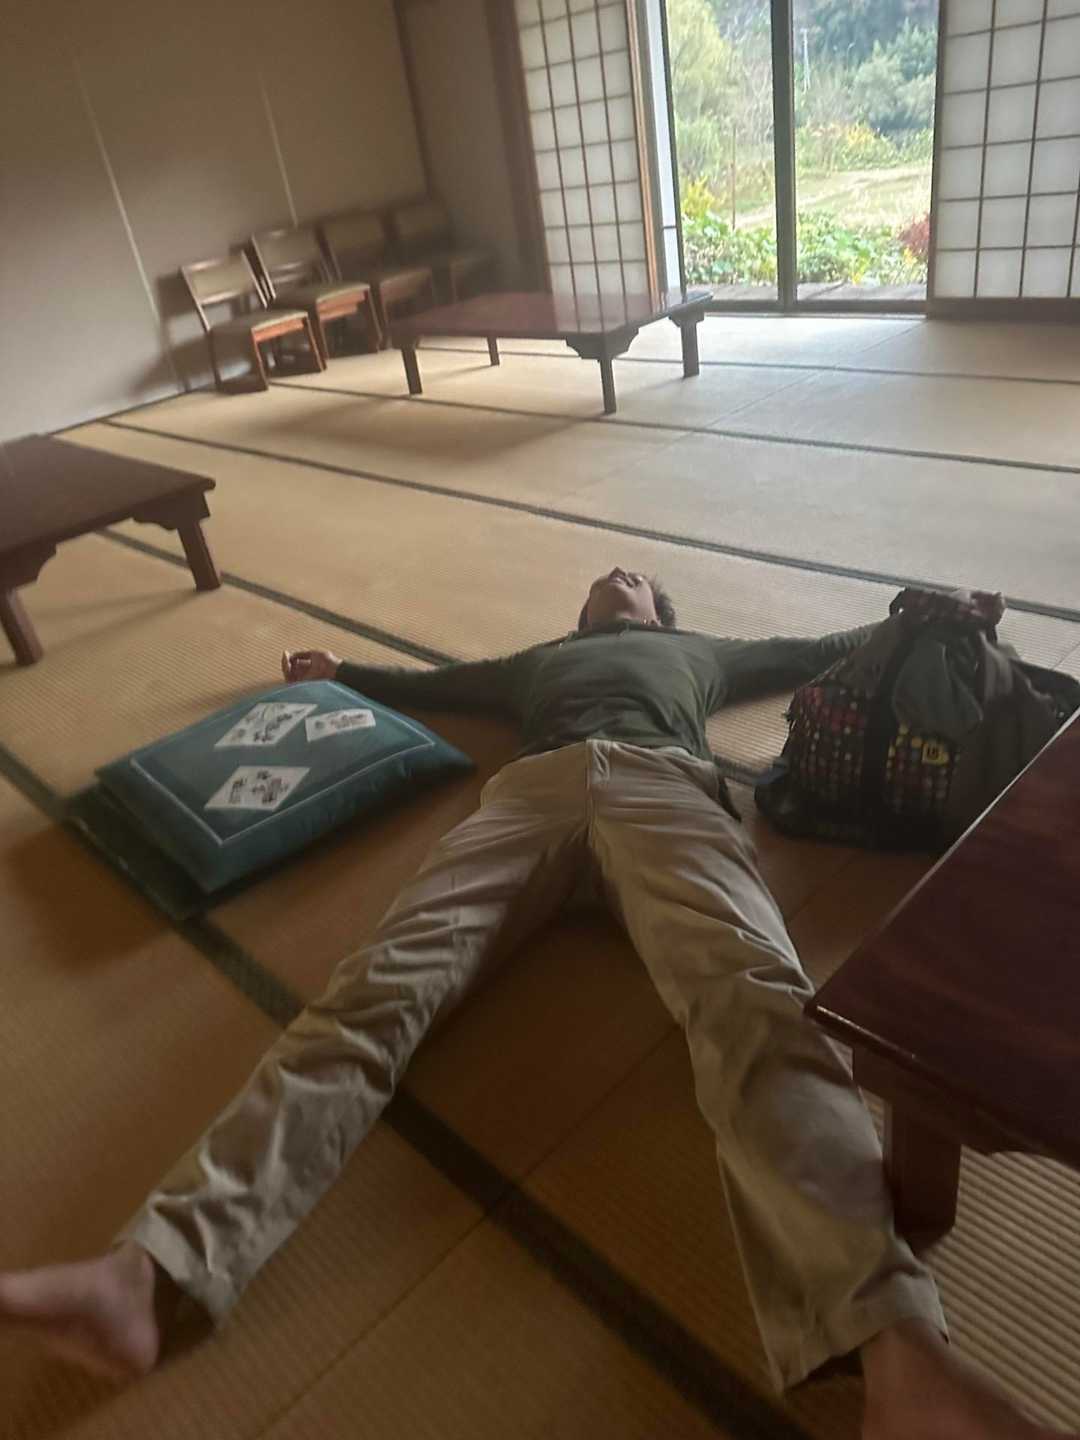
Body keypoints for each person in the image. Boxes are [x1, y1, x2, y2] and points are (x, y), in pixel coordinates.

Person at [0, 568, 1071, 1440]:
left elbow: (817, 650)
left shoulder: (700, 653)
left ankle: (898, 1355)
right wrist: (347, 672)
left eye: (638, 575)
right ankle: (154, 1270)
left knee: (757, 1000)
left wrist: (943, 614)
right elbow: (449, 683)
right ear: (582, 611)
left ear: (660, 611)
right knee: (374, 991)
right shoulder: (542, 662)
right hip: (526, 799)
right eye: (608, 575)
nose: (620, 573)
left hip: (665, 789)